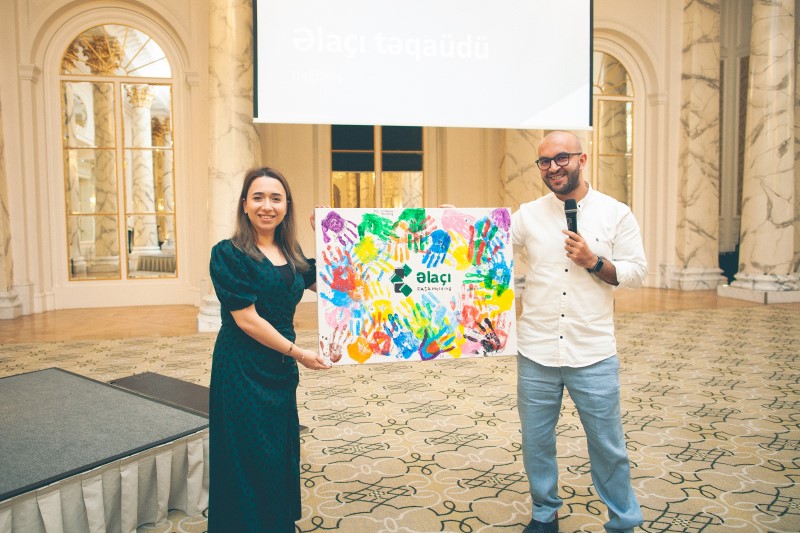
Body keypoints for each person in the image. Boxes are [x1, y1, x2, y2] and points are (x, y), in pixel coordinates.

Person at [511, 131, 646, 533]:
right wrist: (458, 221)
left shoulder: (615, 213)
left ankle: (623, 521)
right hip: (536, 350)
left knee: (608, 445)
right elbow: (485, 242)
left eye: (562, 158)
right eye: (544, 161)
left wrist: (594, 261)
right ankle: (544, 512)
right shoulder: (528, 215)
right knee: (536, 441)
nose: (553, 167)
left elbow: (636, 272)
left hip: (593, 352)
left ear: (582, 160)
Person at [208, 166, 331, 532]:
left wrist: (326, 235)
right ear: (245, 204)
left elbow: (334, 285)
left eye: (276, 198)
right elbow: (247, 320)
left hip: (279, 368)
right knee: (245, 451)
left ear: (286, 205)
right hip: (242, 368)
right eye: (258, 197)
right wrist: (299, 353)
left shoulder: (291, 253)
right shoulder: (228, 254)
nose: (267, 206)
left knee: (277, 449)